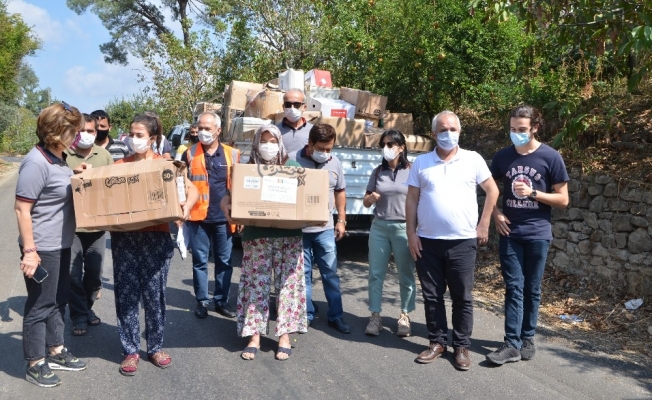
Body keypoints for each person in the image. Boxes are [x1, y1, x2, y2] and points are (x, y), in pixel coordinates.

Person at [406, 110, 499, 371]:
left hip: (462, 242)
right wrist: (411, 233)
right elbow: (412, 199)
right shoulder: (421, 163)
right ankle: (436, 342)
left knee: (462, 297)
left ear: (460, 131)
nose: (448, 134)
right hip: (427, 241)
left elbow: (492, 191)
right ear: (434, 134)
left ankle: (461, 346)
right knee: (432, 295)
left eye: (453, 129)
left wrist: (483, 224)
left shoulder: (473, 159)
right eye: (443, 130)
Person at [111, 114, 199, 376]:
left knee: (154, 293)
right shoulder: (119, 166)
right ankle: (130, 349)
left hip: (156, 236)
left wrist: (187, 206)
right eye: (131, 134)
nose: (133, 139)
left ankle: (156, 346)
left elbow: (191, 189)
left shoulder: (166, 165)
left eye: (139, 135)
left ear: (152, 139)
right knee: (126, 294)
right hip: (125, 237)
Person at [486, 105, 569, 365]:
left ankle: (528, 337)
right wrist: (496, 214)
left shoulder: (551, 157)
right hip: (510, 233)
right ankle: (511, 344)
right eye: (512, 130)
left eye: (522, 130)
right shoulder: (502, 157)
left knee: (532, 289)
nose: (516, 134)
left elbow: (563, 199)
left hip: (537, 233)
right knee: (513, 287)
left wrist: (533, 193)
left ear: (535, 127)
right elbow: (489, 190)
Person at [15, 102, 88, 388]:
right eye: (74, 130)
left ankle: (56, 349)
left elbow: (58, 187)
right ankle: (34, 363)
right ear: (57, 131)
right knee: (40, 304)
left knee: (58, 299)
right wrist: (30, 251)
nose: (79, 135)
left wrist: (76, 172)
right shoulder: (36, 162)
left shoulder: (59, 157)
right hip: (42, 246)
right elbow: (22, 209)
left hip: (61, 242)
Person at [221, 124, 308, 361]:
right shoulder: (247, 170)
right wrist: (226, 204)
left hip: (288, 237)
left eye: (272, 141)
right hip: (256, 237)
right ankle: (254, 336)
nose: (268, 145)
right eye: (263, 141)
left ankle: (285, 337)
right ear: (257, 143)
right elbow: (229, 197)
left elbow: (307, 196)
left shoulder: (292, 167)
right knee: (255, 286)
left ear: (279, 142)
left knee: (288, 287)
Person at [290, 123, 351, 333]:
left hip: (324, 229)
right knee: (303, 275)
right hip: (298, 230)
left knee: (330, 275)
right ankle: (306, 314)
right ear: (310, 143)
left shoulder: (335, 163)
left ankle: (336, 316)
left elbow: (340, 192)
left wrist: (341, 220)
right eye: (321, 149)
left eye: (329, 149)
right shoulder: (291, 159)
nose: (326, 153)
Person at [182, 112, 241, 319]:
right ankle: (202, 301)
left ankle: (221, 301)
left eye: (208, 128)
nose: (203, 132)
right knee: (199, 260)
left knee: (224, 261)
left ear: (218, 130)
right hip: (198, 217)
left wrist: (239, 215)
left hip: (224, 218)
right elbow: (182, 185)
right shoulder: (189, 154)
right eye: (200, 128)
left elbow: (239, 187)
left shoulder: (233, 155)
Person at [363, 130, 416, 337]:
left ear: (401, 147)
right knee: (376, 273)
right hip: (380, 226)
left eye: (391, 144)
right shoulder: (378, 172)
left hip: (404, 227)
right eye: (384, 144)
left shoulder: (412, 170)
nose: (387, 148)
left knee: (406, 274)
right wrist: (370, 199)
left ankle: (404, 315)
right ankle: (375, 315)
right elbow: (365, 201)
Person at [65, 113, 114, 336]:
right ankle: (78, 315)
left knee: (94, 274)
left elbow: (114, 187)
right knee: (72, 274)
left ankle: (87, 308)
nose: (85, 135)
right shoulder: (65, 154)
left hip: (96, 227)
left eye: (90, 131)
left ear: (97, 132)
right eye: (81, 131)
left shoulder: (104, 156)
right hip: (71, 226)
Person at [277, 89, 314, 154]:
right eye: (288, 104)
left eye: (297, 105)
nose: (292, 108)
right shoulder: (275, 131)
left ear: (304, 107)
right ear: (283, 107)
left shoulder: (313, 130)